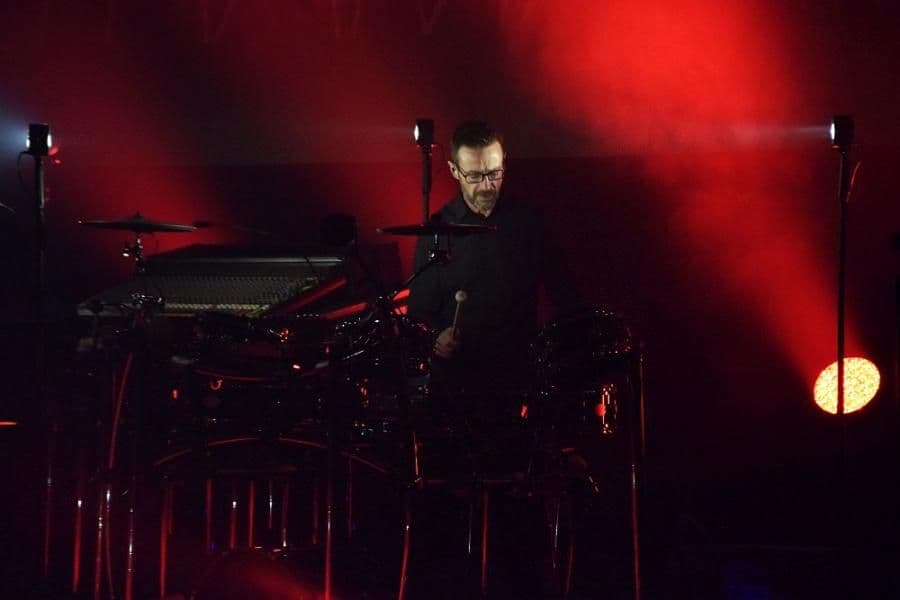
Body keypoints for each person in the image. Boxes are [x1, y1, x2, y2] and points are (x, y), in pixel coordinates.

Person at [407, 120, 575, 397]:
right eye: (474, 176)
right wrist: (437, 337)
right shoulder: (438, 231)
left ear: (503, 162)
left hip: (519, 376)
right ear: (454, 170)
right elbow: (418, 313)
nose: (487, 186)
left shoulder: (528, 222)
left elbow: (565, 293)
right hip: (457, 382)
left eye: (494, 173)